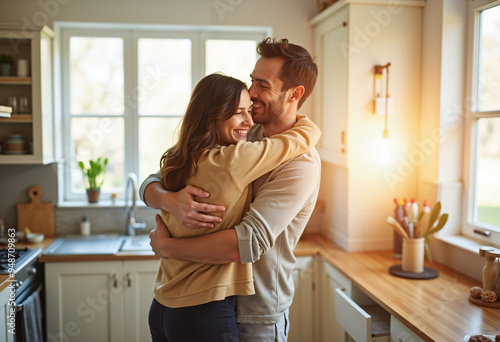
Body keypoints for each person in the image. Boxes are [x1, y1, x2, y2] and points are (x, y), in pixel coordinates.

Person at [141, 38, 320, 341]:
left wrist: (169, 248)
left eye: (263, 85)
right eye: (252, 81)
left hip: (256, 313)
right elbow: (157, 177)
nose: (251, 93)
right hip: (211, 302)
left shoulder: (300, 165)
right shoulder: (241, 133)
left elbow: (247, 242)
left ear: (295, 94)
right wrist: (170, 201)